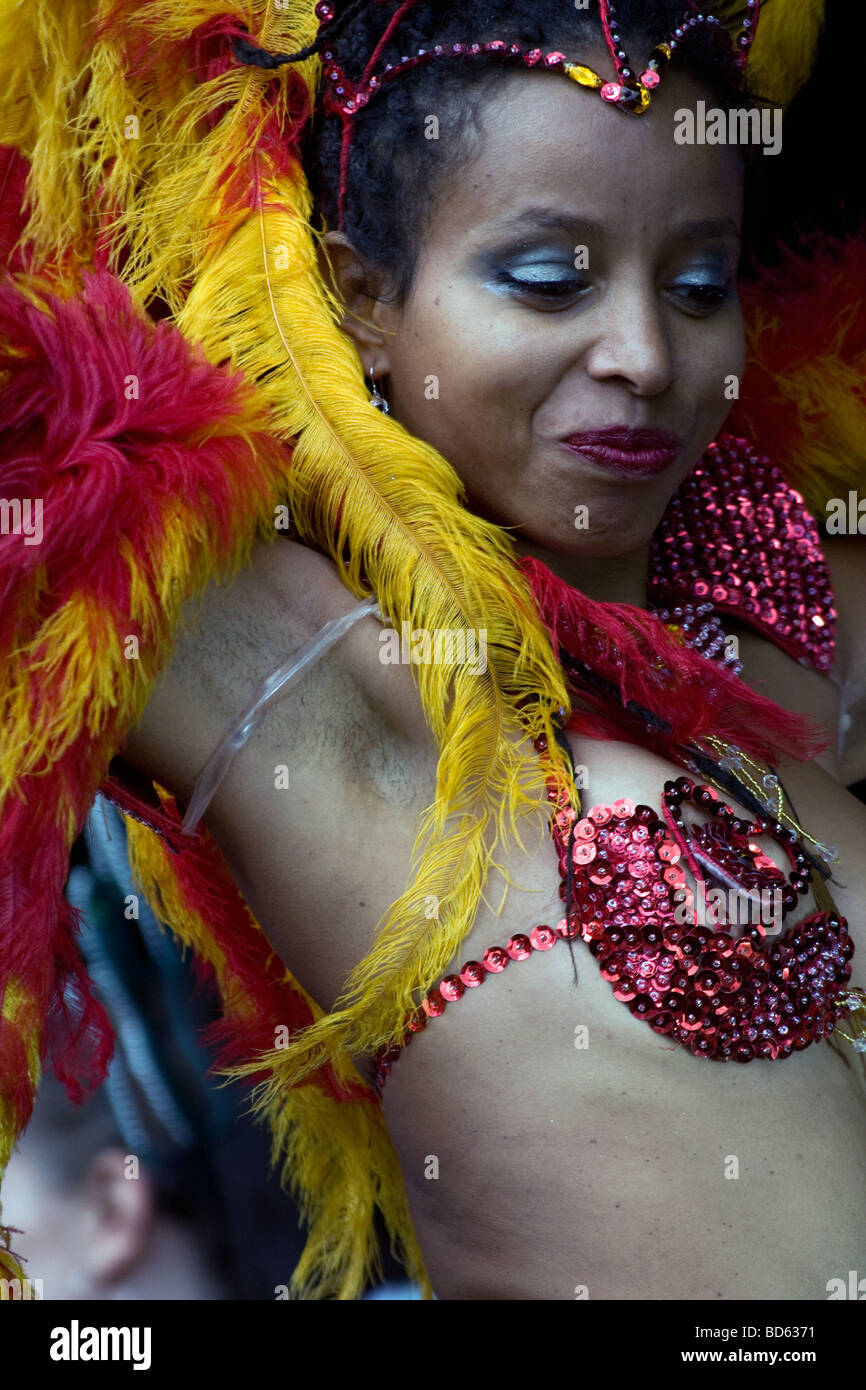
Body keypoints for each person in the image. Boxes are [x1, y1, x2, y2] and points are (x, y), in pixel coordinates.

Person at [1, 0, 864, 1301]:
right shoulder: (322, 683)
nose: (642, 355)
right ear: (358, 298)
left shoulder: (797, 614)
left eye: (697, 286)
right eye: (546, 277)